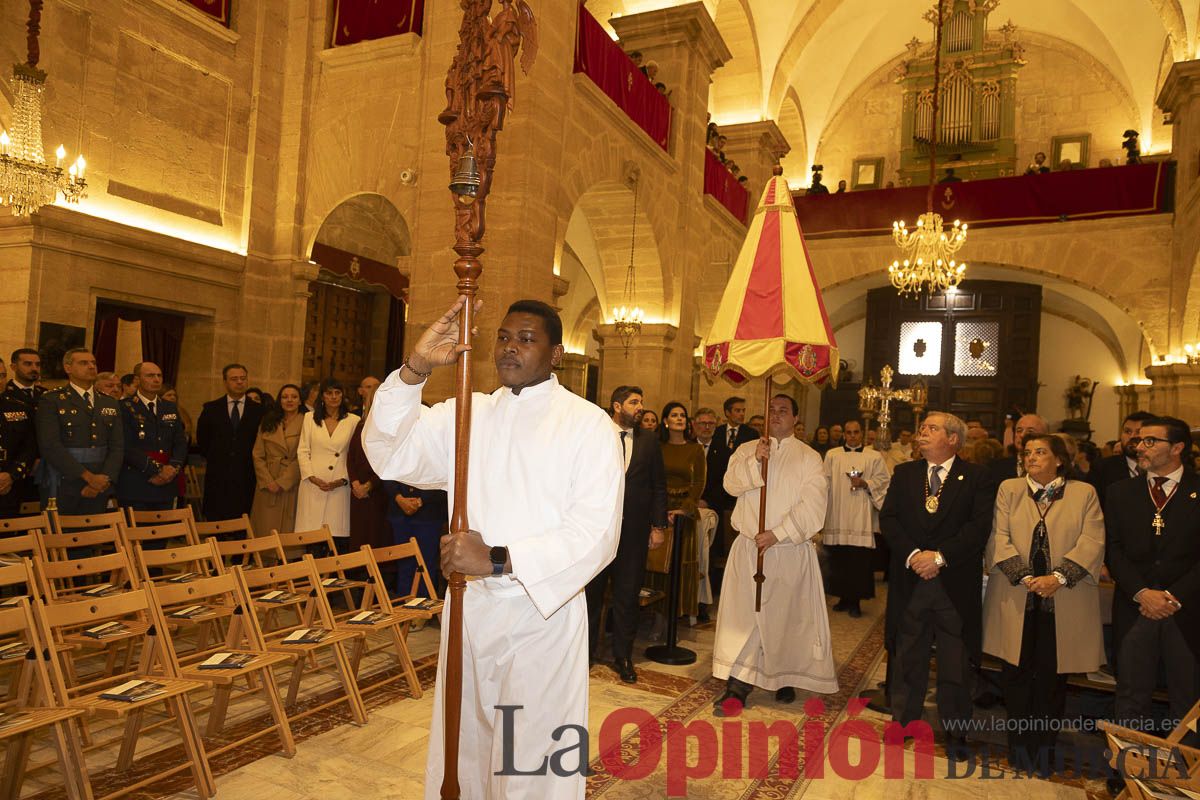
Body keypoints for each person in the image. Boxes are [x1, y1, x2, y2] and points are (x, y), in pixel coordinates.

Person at [363, 297, 622, 799]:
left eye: (526, 340)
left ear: (556, 354)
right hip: (471, 610)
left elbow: (595, 533)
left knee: (531, 759)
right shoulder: (470, 412)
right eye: (504, 337)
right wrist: (416, 367)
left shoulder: (588, 425)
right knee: (468, 752)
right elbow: (390, 453)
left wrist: (499, 558)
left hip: (540, 618)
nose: (510, 348)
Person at [983, 434, 1105, 772]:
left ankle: (1044, 753)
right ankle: (1019, 750)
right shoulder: (1010, 488)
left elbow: (1092, 540)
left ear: (1059, 460)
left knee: (1052, 682)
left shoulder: (1084, 493)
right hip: (1017, 597)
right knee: (1016, 679)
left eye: (1041, 452)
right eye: (1028, 453)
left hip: (1062, 600)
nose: (1032, 457)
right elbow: (998, 536)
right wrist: (1024, 577)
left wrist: (1059, 579)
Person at [712, 394, 836, 713]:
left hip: (788, 551)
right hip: (749, 548)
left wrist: (778, 533)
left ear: (796, 418)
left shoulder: (809, 458)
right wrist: (756, 460)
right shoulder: (746, 450)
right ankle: (737, 686)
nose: (776, 414)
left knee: (784, 619)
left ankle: (782, 676)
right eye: (771, 409)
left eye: (784, 410)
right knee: (745, 617)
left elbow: (813, 505)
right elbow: (729, 485)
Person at [879, 412, 994, 747]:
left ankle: (956, 731)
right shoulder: (905, 473)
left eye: (931, 428)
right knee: (907, 657)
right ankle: (903, 723)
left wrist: (939, 557)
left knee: (954, 663)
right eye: (922, 428)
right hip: (912, 580)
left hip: (953, 584)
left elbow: (978, 528)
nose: (922, 433)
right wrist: (915, 556)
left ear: (953, 438)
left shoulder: (976, 477)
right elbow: (890, 520)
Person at [1105, 416, 1200, 756]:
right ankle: (1129, 771)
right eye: (1138, 441)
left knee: (1187, 697)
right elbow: (1112, 549)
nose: (1139, 446)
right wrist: (1143, 592)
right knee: (1131, 694)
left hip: (1186, 611)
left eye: (1150, 441)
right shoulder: (1121, 491)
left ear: (1177, 448)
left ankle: (1184, 776)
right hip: (1136, 606)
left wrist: (1174, 596)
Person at [585, 385, 666, 683]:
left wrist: (658, 526)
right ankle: (585, 654)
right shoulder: (595, 434)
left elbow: (658, 485)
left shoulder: (648, 441)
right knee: (591, 595)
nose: (640, 407)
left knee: (626, 596)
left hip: (632, 533)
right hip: (596, 531)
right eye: (634, 402)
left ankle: (623, 657)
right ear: (617, 406)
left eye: (641, 402)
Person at [35, 349, 124, 514]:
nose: (91, 367)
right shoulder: (52, 400)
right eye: (84, 363)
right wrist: (89, 478)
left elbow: (117, 446)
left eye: (93, 363)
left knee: (94, 535)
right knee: (61, 535)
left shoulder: (109, 402)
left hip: (101, 482)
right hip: (65, 480)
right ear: (68, 368)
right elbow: (50, 445)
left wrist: (105, 478)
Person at [823, 419, 890, 618]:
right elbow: (823, 482)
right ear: (844, 434)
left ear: (862, 433)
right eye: (848, 432)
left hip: (861, 517)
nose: (852, 436)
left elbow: (884, 481)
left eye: (856, 432)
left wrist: (866, 483)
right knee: (840, 559)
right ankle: (843, 598)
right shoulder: (832, 455)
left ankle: (855, 602)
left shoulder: (874, 456)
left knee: (859, 562)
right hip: (838, 515)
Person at [651, 401, 706, 619]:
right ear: (665, 421)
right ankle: (657, 617)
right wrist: (659, 511)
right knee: (658, 564)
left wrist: (683, 510)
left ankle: (675, 617)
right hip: (660, 510)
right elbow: (653, 480)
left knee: (679, 567)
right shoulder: (656, 447)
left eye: (683, 415)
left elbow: (699, 483)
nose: (679, 418)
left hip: (684, 514)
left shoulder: (695, 449)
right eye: (674, 415)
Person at [196, 364, 265, 521]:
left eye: (243, 378)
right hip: (218, 475)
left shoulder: (259, 410)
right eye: (234, 379)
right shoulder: (211, 408)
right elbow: (203, 441)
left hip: (247, 475)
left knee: (243, 522)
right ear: (225, 382)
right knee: (216, 522)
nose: (239, 382)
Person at [296, 378, 359, 548]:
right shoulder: (309, 418)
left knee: (337, 539)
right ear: (322, 396)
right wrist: (312, 477)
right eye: (329, 393)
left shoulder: (353, 420)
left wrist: (342, 480)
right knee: (312, 540)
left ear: (342, 395)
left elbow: (354, 455)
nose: (333, 397)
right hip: (313, 486)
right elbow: (302, 450)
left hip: (339, 486)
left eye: (337, 393)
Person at [116, 361, 188, 511]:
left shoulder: (169, 407)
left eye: (159, 376)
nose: (156, 380)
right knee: (136, 532)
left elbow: (180, 442)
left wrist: (172, 468)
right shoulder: (125, 407)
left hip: (167, 482)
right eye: (150, 375)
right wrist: (157, 470)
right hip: (137, 481)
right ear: (137, 379)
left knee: (165, 532)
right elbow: (126, 446)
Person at [250, 385, 304, 538]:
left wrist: (283, 482)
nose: (289, 400)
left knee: (287, 528)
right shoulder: (268, 421)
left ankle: (286, 558)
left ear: (300, 401)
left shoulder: (307, 422)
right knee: (264, 526)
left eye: (294, 397)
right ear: (279, 400)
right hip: (267, 481)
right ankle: (264, 557)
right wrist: (268, 481)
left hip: (291, 482)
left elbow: (304, 455)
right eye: (285, 397)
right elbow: (257, 454)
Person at [346, 379, 390, 552]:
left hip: (378, 491)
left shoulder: (389, 428)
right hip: (358, 492)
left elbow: (388, 460)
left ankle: (378, 576)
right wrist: (355, 482)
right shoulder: (361, 425)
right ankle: (360, 574)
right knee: (359, 537)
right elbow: (351, 457)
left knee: (377, 536)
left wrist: (369, 485)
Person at [2, 348, 44, 509]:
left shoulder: (46, 396)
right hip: (13, 470)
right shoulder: (5, 395)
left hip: (43, 470)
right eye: (27, 363)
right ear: (13, 367)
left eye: (37, 364)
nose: (34, 368)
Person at [1090, 410, 1155, 508]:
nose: (1132, 436)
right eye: (1127, 431)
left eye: (1139, 432)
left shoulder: (1162, 466)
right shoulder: (1102, 468)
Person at [0, 361, 36, 518]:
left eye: (2, 376)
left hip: (9, 483)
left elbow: (30, 446)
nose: (0, 380)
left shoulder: (19, 407)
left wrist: (12, 475)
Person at [989, 413, 1049, 482]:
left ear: (1045, 436)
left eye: (1030, 431)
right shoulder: (996, 467)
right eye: (1019, 431)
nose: (1022, 435)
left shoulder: (1052, 467)